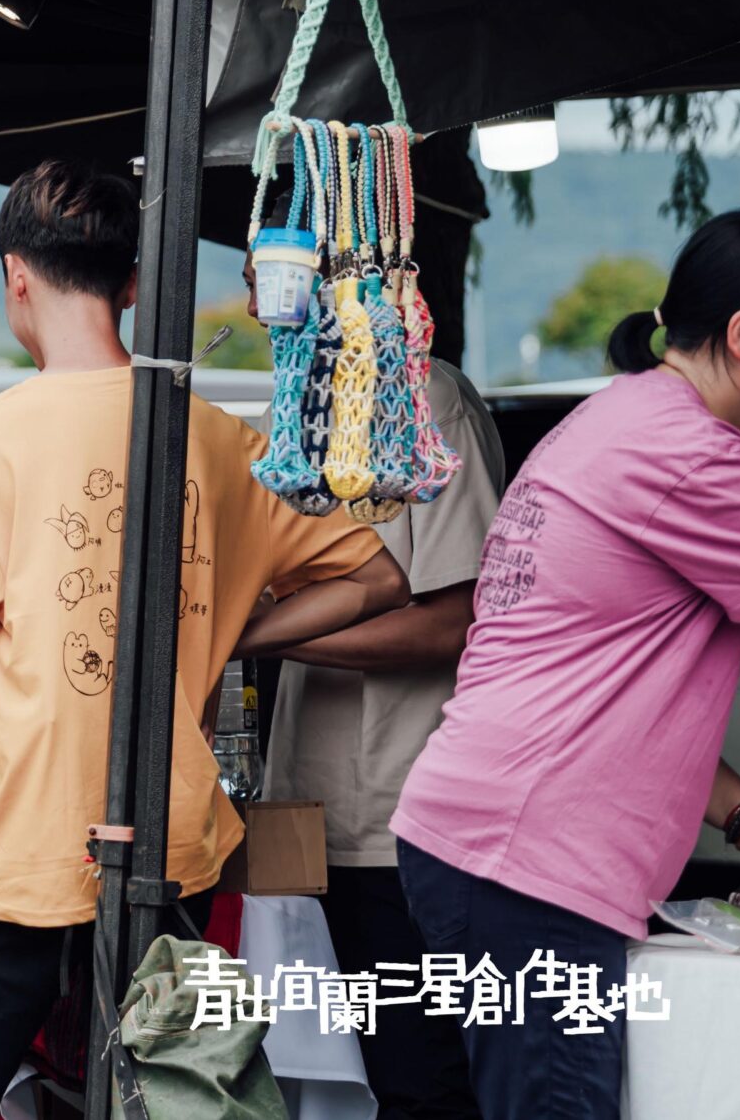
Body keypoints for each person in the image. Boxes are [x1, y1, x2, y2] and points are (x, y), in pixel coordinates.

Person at [0, 160, 409, 1120]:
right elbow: (377, 579)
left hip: (24, 853)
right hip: (174, 846)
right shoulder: (220, 439)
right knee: (165, 1097)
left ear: (16, 276)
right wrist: (230, 630)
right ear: (129, 285)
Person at [391, 210, 740, 1120]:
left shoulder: (623, 416)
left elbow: (616, 692)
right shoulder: (689, 456)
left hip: (489, 841)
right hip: (527, 864)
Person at [246, 258, 503, 1120]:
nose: (256, 295)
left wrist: (260, 630)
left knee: (419, 1082)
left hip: (403, 816)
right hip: (305, 817)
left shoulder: (422, 396)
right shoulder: (296, 404)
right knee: (326, 1087)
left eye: (275, 271)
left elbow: (454, 621)